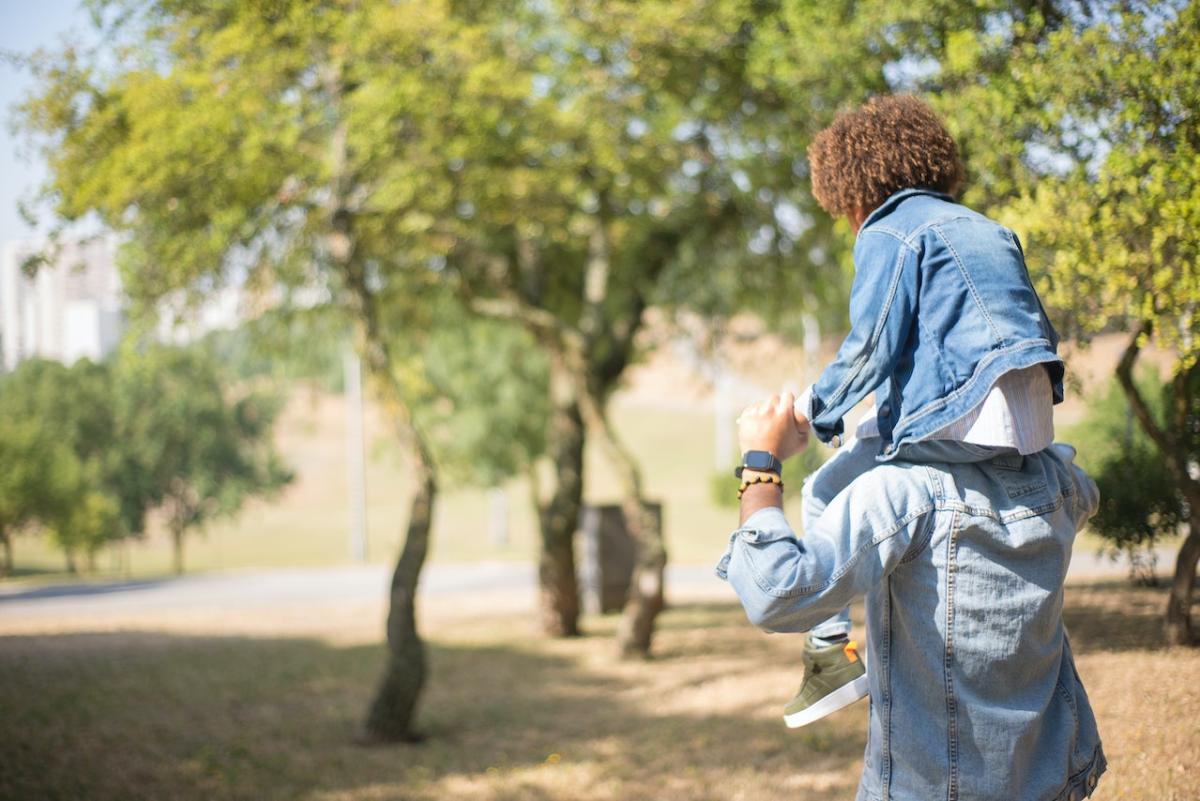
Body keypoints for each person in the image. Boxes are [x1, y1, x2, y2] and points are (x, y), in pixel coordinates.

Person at [717, 94, 1106, 798]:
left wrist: (796, 427)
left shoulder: (891, 232)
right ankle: (831, 654)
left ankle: (830, 653)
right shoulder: (994, 233)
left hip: (949, 433)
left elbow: (872, 343)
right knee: (856, 464)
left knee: (827, 484)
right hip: (1023, 439)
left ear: (854, 194)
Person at [718, 395, 1105, 801]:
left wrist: (760, 463)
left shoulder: (902, 492)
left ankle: (828, 646)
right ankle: (827, 646)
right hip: (1054, 778)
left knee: (822, 486)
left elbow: (775, 592)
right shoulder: (1059, 480)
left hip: (931, 791)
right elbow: (1085, 490)